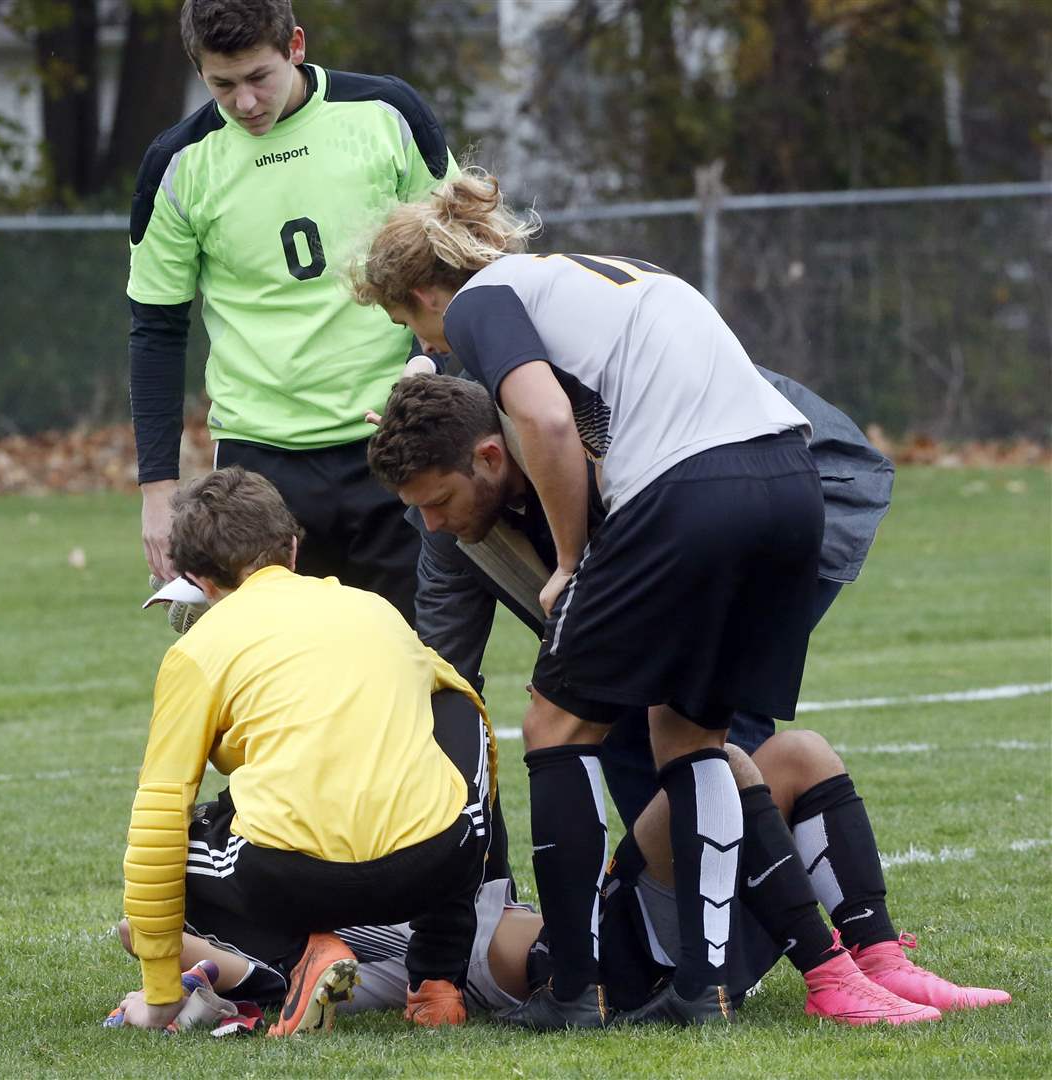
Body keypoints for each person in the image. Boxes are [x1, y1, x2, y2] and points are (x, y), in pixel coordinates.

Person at [354, 173, 826, 1026]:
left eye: (410, 323)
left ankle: (576, 986)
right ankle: (703, 986)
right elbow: (603, 413)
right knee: (691, 733)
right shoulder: (594, 273)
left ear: (426, 292)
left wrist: (572, 559)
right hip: (792, 479)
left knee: (553, 726)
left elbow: (545, 421)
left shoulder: (481, 301)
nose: (431, 345)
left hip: (691, 490)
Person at [122, 731, 1008, 1027]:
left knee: (792, 756)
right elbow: (156, 942)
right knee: (729, 763)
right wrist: (159, 932)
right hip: (596, 970)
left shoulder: (381, 860)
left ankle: (874, 957)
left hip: (636, 942)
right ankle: (833, 978)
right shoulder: (319, 956)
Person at [367, 372, 892, 827]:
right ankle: (677, 892)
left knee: (702, 706)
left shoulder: (594, 434)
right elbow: (445, 675)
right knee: (602, 698)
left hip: (802, 484)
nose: (431, 524)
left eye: (440, 502)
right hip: (682, 531)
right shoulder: (443, 527)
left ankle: (781, 905)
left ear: (490, 456)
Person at [114, 466, 493, 1032]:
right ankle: (437, 979)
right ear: (292, 548)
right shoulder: (374, 609)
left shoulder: (197, 651)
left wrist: (160, 991)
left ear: (197, 579)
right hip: (433, 863)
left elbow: (157, 818)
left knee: (183, 840)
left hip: (293, 880)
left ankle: (302, 955)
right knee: (458, 708)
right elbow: (464, 707)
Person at [128, 0, 459, 623]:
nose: (245, 102)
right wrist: (158, 492)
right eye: (222, 84)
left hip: (392, 439)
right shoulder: (177, 164)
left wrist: (434, 379)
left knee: (425, 669)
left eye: (259, 78)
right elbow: (156, 330)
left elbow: (457, 258)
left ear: (296, 46)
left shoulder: (386, 113)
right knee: (275, 683)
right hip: (261, 462)